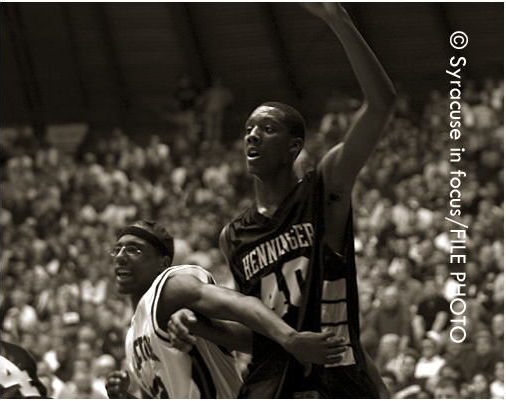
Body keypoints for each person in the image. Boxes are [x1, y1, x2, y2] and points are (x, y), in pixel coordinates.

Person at [169, 2, 396, 398]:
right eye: (248, 128)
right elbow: (260, 331)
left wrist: (337, 20)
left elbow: (381, 105)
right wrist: (198, 324)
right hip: (271, 385)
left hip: (333, 378)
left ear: (294, 147)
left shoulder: (323, 190)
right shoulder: (233, 236)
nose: (252, 135)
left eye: (267, 128)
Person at [105, 220, 346, 399]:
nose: (121, 257)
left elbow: (239, 303)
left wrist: (290, 338)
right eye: (117, 249)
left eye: (134, 249)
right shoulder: (131, 338)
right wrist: (126, 397)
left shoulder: (169, 286)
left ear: (163, 264)